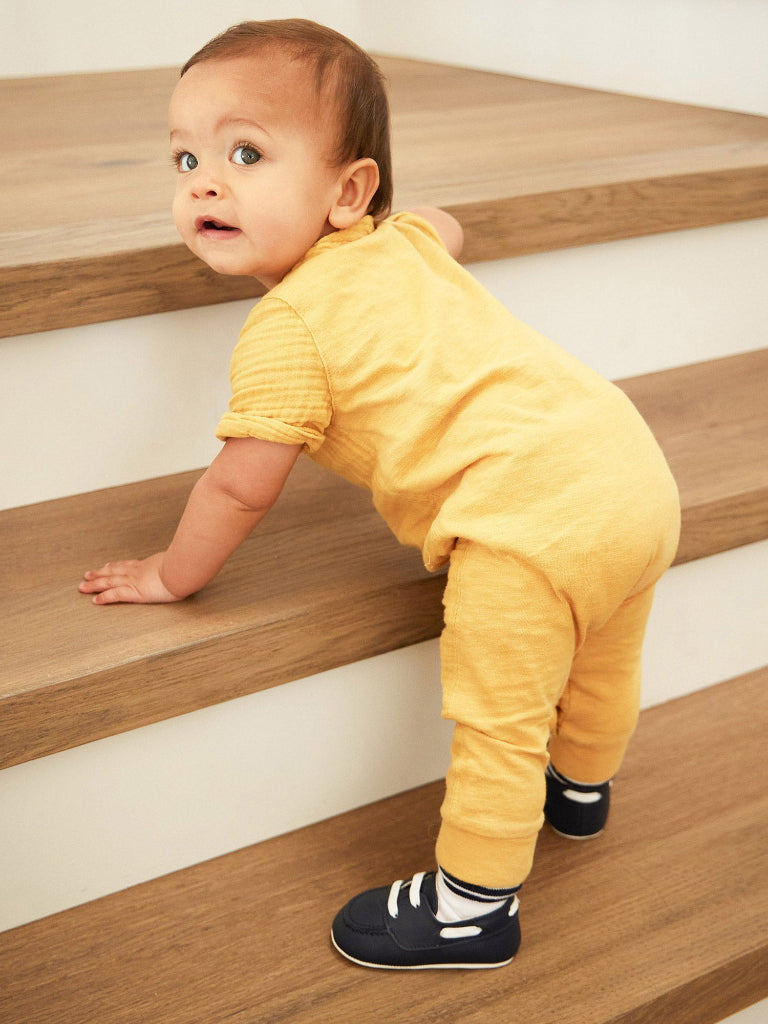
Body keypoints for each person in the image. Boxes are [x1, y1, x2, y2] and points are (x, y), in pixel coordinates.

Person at [79, 19, 681, 970]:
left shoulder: (288, 328)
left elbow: (239, 486)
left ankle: (473, 906)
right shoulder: (401, 240)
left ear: (347, 188)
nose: (203, 182)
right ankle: (582, 787)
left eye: (246, 154)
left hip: (523, 519)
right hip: (629, 467)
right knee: (604, 653)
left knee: (498, 715)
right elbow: (447, 224)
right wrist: (394, 219)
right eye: (185, 157)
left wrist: (170, 576)